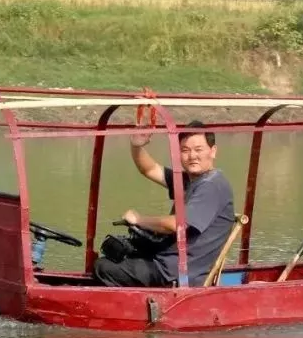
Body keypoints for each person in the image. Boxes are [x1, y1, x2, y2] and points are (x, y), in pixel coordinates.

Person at [94, 121, 234, 288]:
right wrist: (136, 146)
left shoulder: (212, 185)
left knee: (103, 268)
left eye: (198, 150)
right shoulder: (189, 180)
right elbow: (150, 169)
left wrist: (139, 219)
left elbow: (177, 224)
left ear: (213, 151)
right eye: (185, 150)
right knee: (117, 252)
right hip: (165, 260)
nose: (192, 156)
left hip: (177, 273)